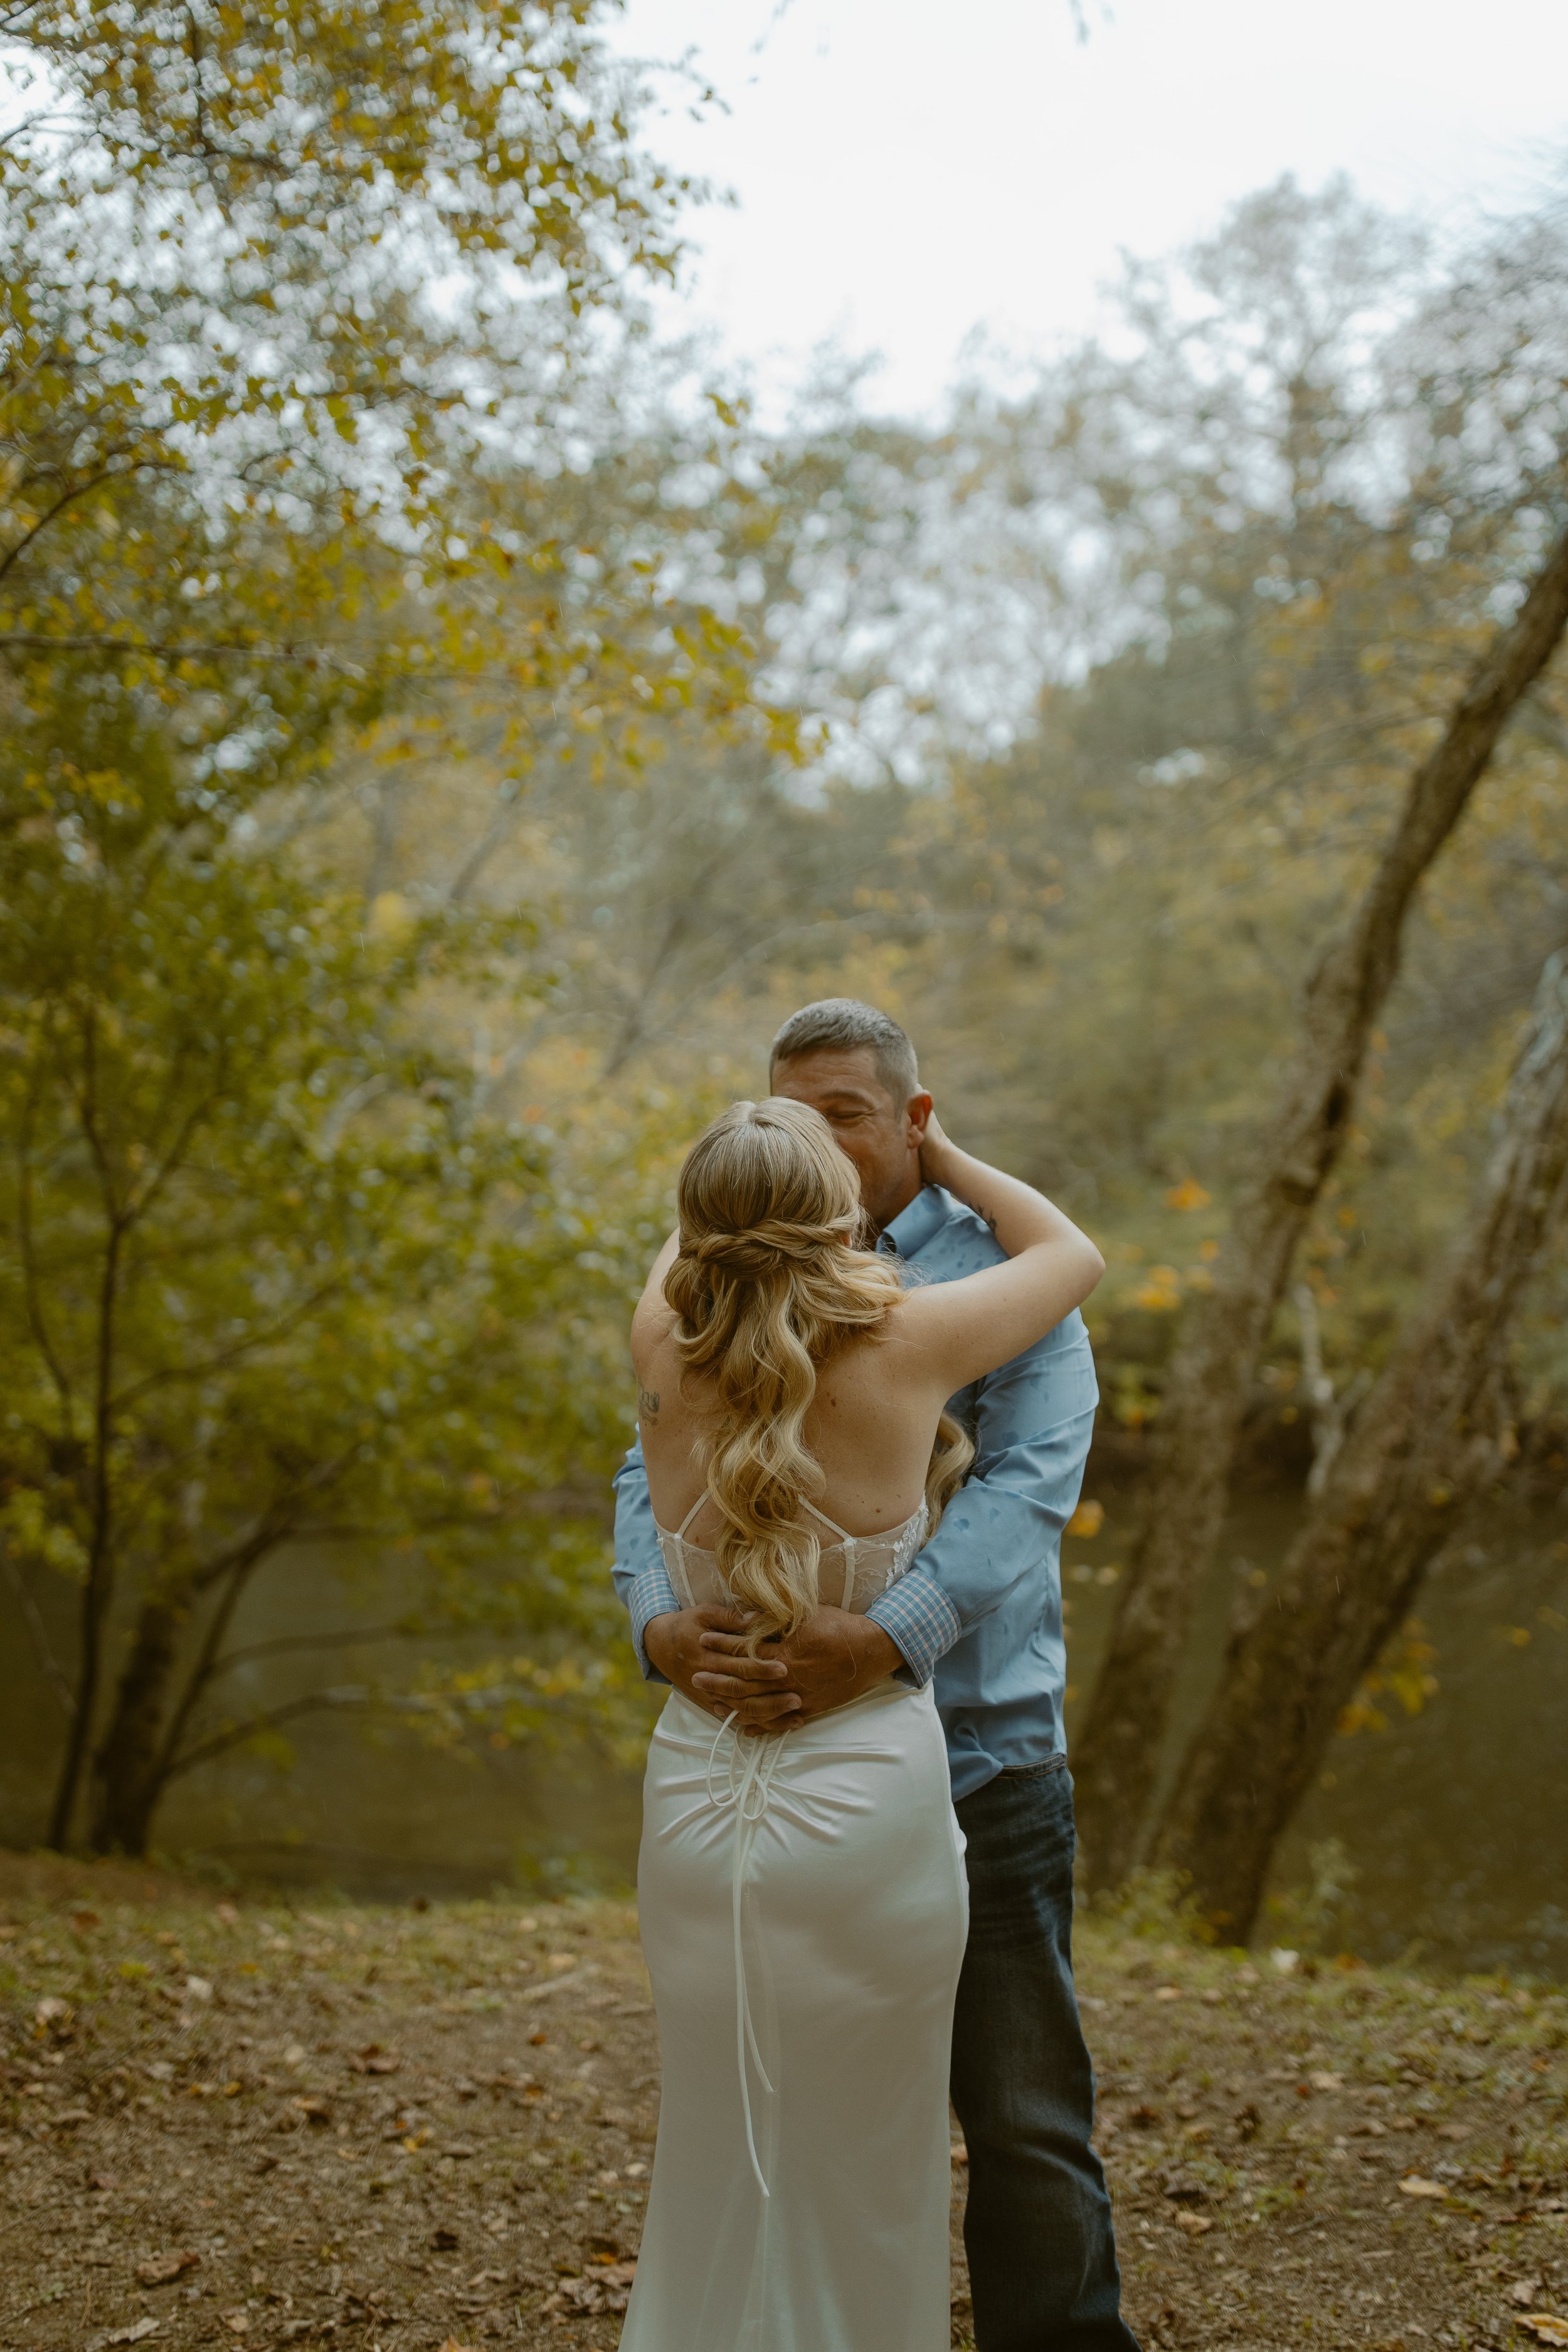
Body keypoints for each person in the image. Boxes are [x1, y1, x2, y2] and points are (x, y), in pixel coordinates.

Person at [613, 999, 1138, 2352]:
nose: (819, 1137)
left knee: (1021, 2120)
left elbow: (1026, 1494)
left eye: (846, 1109)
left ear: (909, 1116)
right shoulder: (808, 1316)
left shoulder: (704, 1304)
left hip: (978, 1747)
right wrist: (654, 1622)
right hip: (808, 1771)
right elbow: (640, 1469)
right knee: (791, 2110)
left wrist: (886, 1633)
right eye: (792, 1116)